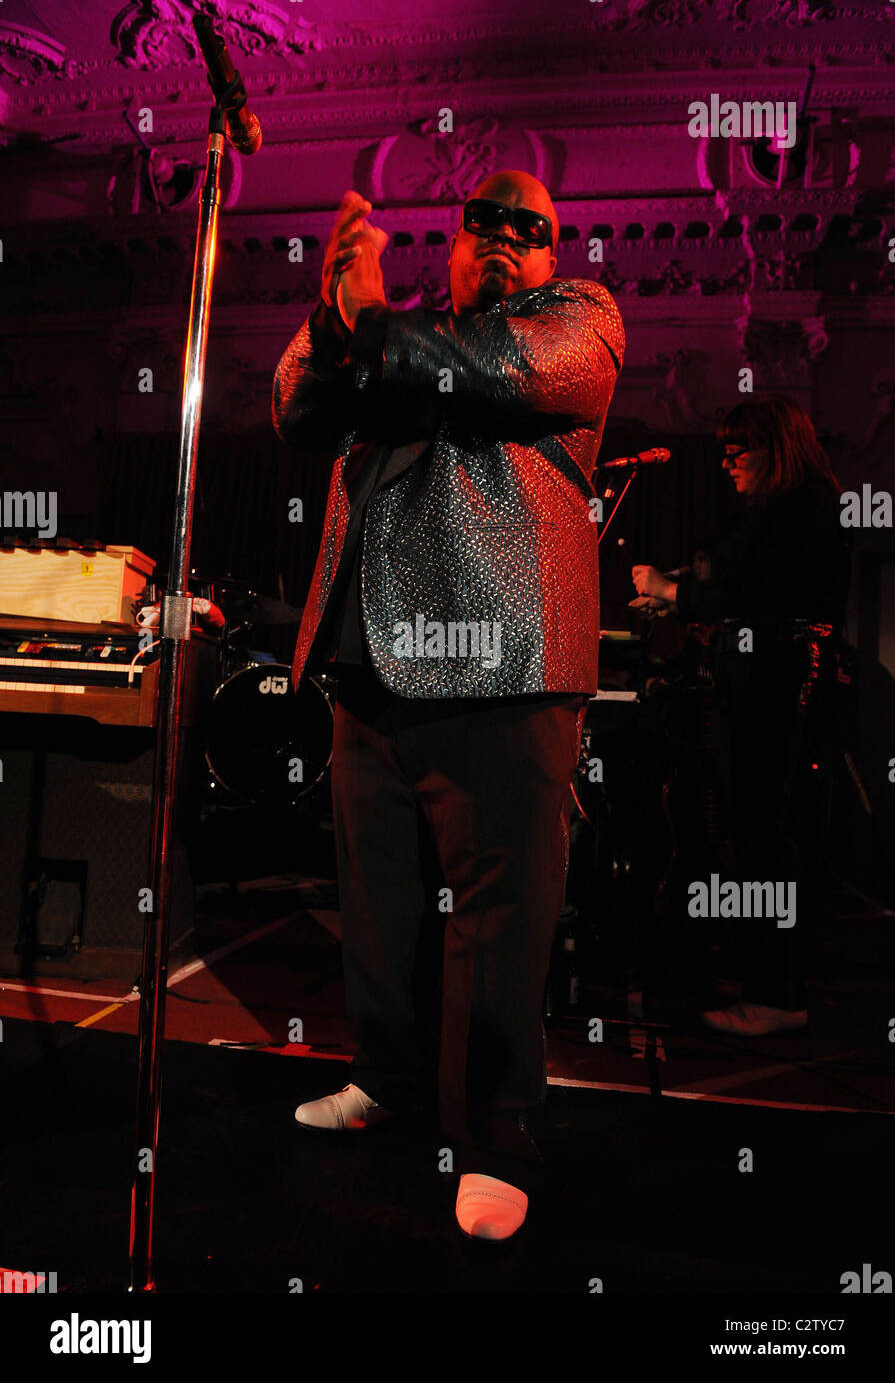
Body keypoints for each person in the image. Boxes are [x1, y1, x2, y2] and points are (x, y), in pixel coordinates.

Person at [272, 172, 625, 1239]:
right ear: (453, 243)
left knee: (499, 916)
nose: (509, 240)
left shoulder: (580, 320)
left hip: (505, 657)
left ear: (555, 253)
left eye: (535, 229)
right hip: (367, 662)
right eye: (486, 223)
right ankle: (388, 1077)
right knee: (378, 902)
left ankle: (496, 1135)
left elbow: (493, 377)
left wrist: (368, 326)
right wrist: (333, 319)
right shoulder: (390, 341)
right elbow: (296, 408)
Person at [630, 395, 851, 1036]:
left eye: (739, 450)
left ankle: (778, 992)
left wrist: (674, 593)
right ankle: (761, 974)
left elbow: (755, 592)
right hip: (755, 683)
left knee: (763, 832)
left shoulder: (803, 509)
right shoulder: (777, 510)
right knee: (745, 829)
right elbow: (733, 578)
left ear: (775, 450)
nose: (728, 463)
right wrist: (680, 595)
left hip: (775, 688)